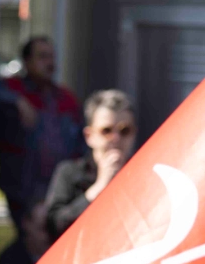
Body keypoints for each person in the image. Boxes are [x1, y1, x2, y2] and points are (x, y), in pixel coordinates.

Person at [0, 35, 83, 223]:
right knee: (31, 240)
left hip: (58, 185)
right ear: (27, 61)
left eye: (51, 57)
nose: (49, 63)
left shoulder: (64, 98)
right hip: (23, 188)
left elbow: (80, 140)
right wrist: (17, 101)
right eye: (42, 57)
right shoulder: (14, 89)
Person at [42, 89, 138, 239]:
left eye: (124, 131)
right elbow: (54, 226)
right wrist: (98, 188)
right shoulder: (69, 172)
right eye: (106, 130)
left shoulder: (143, 173)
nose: (116, 138)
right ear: (89, 136)